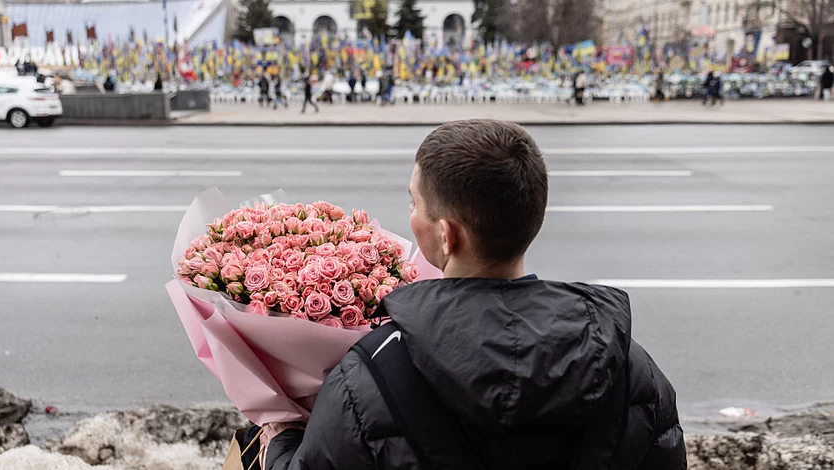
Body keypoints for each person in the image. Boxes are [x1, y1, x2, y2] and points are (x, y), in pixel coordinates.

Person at [259, 119, 686, 470]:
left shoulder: (370, 375)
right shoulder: (628, 366)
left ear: (447, 236)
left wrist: (279, 444)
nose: (410, 216)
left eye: (414, 204)